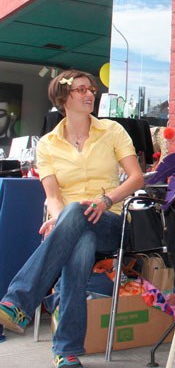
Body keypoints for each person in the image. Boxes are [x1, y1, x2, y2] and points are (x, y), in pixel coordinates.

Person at [0, 70, 144, 367]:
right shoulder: (48, 144)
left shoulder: (112, 131)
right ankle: (66, 350)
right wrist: (58, 219)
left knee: (79, 212)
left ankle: (18, 300)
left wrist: (106, 200)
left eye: (91, 89)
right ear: (63, 98)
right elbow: (53, 196)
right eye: (80, 90)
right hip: (75, 225)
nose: (89, 94)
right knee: (79, 244)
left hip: (112, 222)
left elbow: (136, 178)